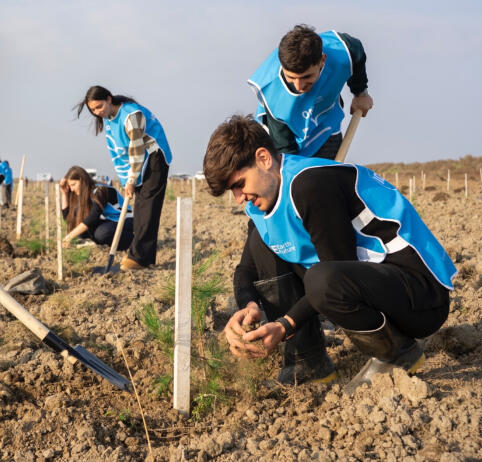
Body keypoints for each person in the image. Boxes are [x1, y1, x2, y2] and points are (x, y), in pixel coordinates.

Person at [203, 115, 455, 392]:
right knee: (262, 244)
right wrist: (250, 306)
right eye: (232, 190)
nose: (239, 197)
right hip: (371, 284)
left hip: (420, 294)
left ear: (264, 158)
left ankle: (396, 353)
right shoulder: (262, 201)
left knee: (321, 279)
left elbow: (333, 273)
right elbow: (247, 269)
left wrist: (285, 324)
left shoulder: (311, 184)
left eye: (239, 183)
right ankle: (306, 361)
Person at [76, 85, 172, 270]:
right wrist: (128, 180)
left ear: (109, 99)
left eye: (99, 107)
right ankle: (145, 257)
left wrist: (131, 180)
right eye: (93, 110)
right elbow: (120, 154)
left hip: (154, 158)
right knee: (142, 209)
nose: (97, 113)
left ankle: (139, 258)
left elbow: (136, 150)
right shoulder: (110, 120)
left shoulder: (131, 115)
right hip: (139, 164)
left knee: (147, 208)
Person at [248, 24, 373, 159]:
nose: (299, 86)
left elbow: (356, 52)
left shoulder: (342, 51)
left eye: (306, 77)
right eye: (291, 77)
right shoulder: (272, 94)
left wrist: (360, 92)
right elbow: (286, 152)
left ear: (322, 61)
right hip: (281, 138)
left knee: (329, 176)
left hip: (326, 125)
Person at [59, 166, 134, 250]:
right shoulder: (83, 195)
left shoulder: (100, 190)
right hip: (108, 221)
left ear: (83, 180)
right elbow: (69, 218)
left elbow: (92, 218)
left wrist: (69, 237)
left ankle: (135, 242)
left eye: (73, 184)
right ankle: (99, 242)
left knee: (102, 233)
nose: (72, 189)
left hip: (124, 219)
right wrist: (64, 194)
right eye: (70, 186)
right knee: (81, 231)